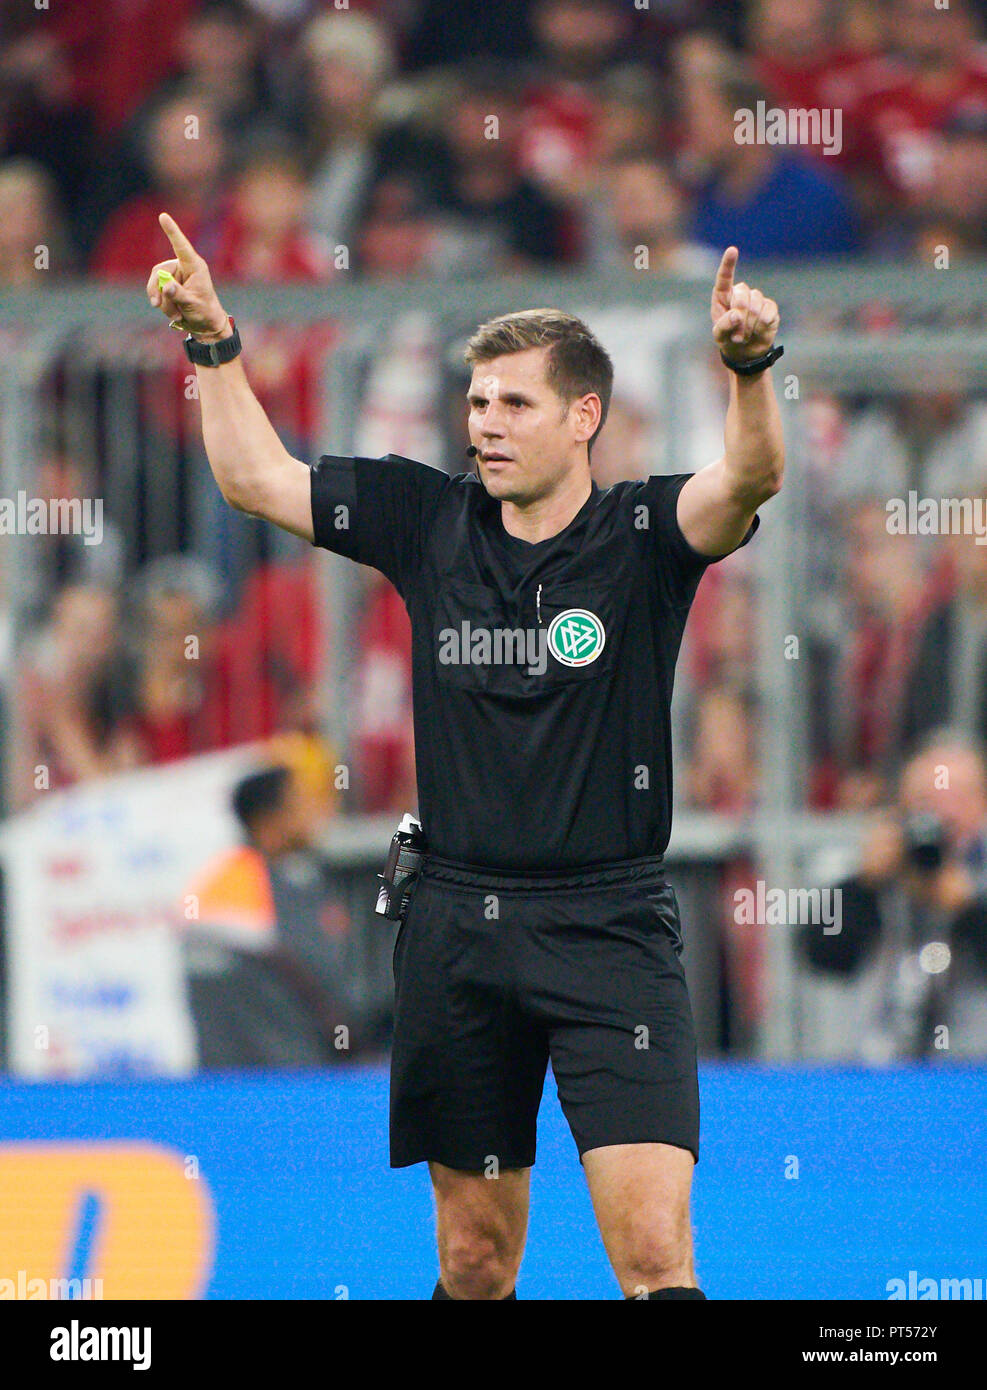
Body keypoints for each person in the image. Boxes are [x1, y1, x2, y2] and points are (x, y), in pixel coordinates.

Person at [146, 211, 785, 1299]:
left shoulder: (645, 535)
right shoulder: (424, 515)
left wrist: (750, 369)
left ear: (585, 416)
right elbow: (257, 478)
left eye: (515, 402)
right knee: (475, 1259)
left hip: (611, 928)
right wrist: (215, 343)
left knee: (655, 1254)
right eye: (477, 399)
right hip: (459, 928)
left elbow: (750, 480)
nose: (486, 422)